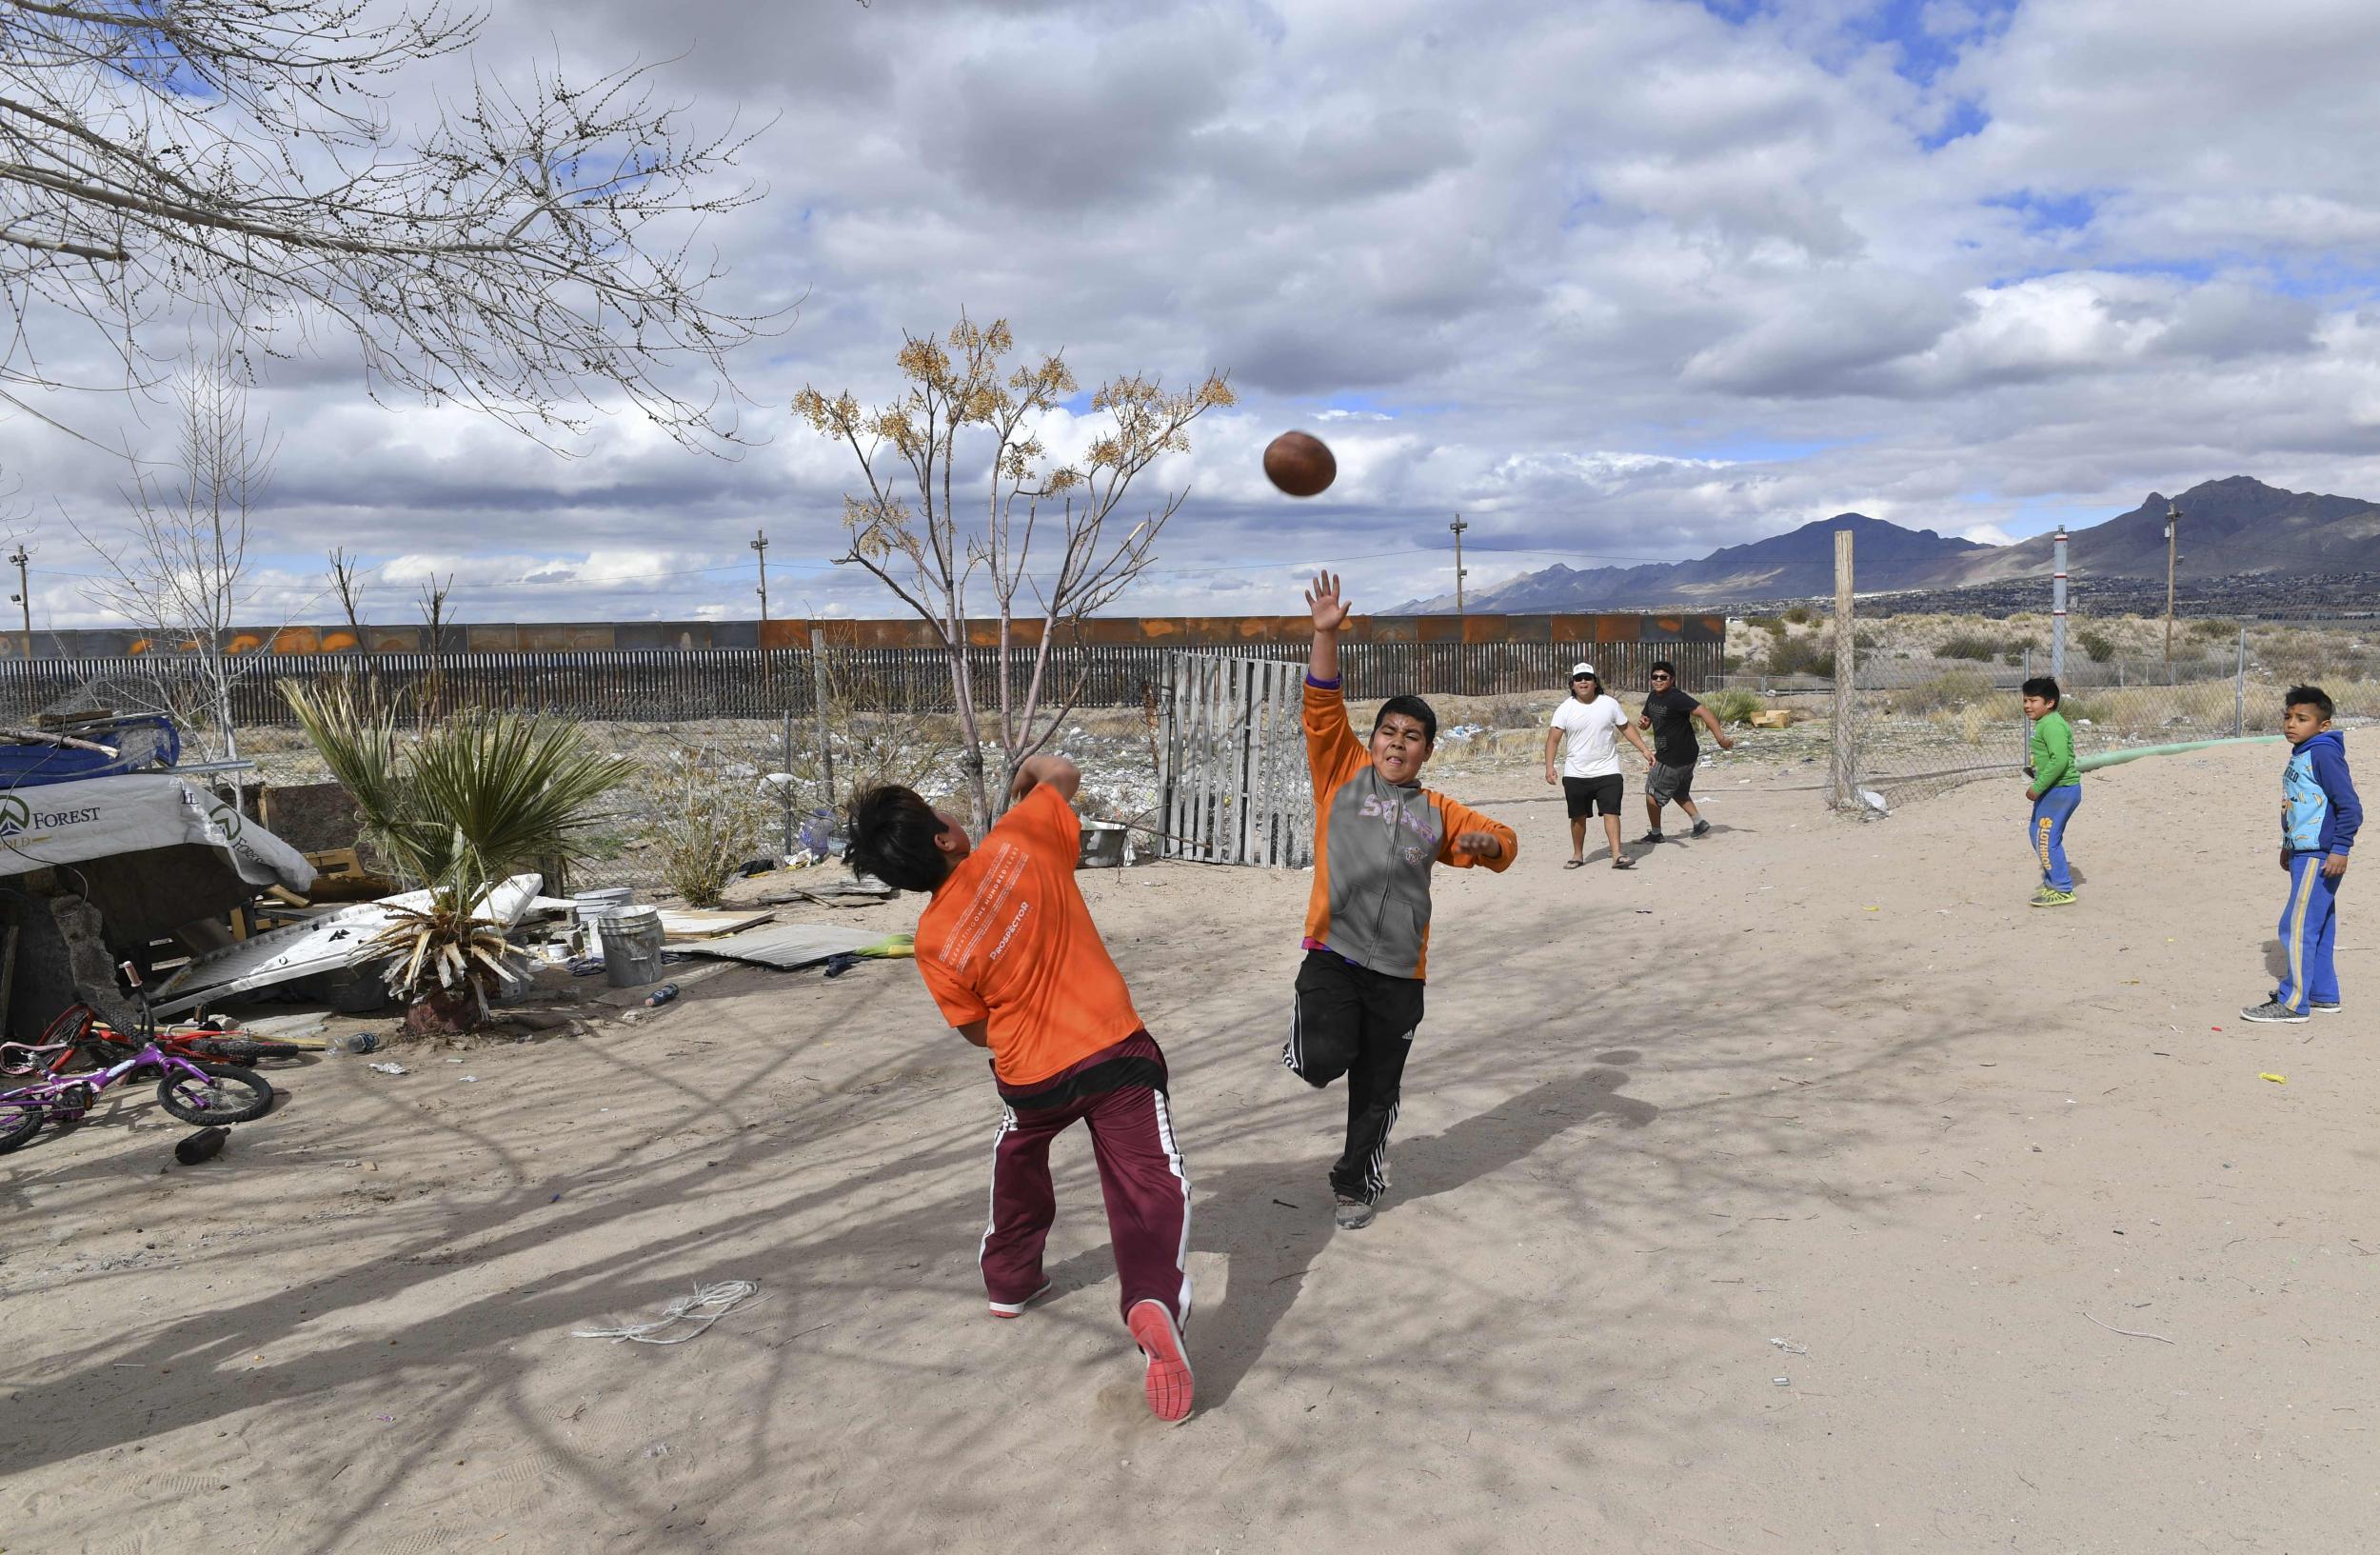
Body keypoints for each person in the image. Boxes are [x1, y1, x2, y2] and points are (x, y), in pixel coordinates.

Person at [843, 758, 1196, 1424]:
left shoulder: (932, 938)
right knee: (1149, 1178)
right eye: (941, 810)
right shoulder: (1021, 834)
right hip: (1115, 1050)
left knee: (1020, 1150)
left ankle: (1010, 1278)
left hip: (1031, 1076)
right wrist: (1027, 775)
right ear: (946, 835)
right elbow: (1063, 770)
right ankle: (1150, 1296)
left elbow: (978, 1031)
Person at [1286, 571, 1518, 1230]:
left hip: (1398, 975)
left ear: (1426, 750)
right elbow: (1322, 700)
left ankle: (1355, 1181)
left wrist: (1487, 845)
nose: (1395, 742)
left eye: (1411, 736)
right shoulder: (1341, 772)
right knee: (1322, 1060)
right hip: (1333, 955)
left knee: (1378, 1091)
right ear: (1375, 736)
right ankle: (1312, 1045)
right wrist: (1324, 633)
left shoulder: (1438, 811)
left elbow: (1505, 842)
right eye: (1388, 730)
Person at [2241, 686, 2359, 1023]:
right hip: (2302, 852)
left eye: (2302, 718)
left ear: (2323, 725)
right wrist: (2287, 845)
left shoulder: (2323, 753)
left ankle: (2293, 1003)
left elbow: (2350, 806)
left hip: (2319, 856)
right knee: (2318, 926)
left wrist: (2340, 848)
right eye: (2288, 716)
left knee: (2296, 926)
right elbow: (2300, 807)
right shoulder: (2304, 751)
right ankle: (2323, 994)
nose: (2292, 724)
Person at [1544, 661, 1656, 870]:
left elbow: (1626, 727)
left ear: (1595, 682)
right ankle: (1577, 855)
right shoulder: (1565, 709)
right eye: (1578, 679)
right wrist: (1549, 767)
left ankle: (1617, 855)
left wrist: (1645, 749)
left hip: (1608, 769)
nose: (1583, 682)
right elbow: (1553, 740)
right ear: (1572, 684)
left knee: (1612, 811)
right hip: (1576, 772)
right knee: (1577, 816)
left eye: (1587, 678)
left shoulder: (1609, 704)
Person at [1636, 661, 1735, 844]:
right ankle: (1699, 822)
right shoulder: (1652, 697)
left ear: (1672, 679)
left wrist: (1721, 739)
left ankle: (1656, 833)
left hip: (1675, 755)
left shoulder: (1677, 697)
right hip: (1682, 753)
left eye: (1663, 677)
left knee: (1652, 794)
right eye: (1655, 677)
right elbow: (1647, 720)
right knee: (1679, 790)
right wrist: (1644, 723)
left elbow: (1704, 712)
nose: (1658, 680)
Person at [2022, 675, 2081, 907]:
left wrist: (2037, 786)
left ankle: (2063, 889)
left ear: (2049, 703)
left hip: (2061, 789)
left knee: (2046, 839)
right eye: (2025, 700)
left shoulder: (2053, 725)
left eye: (2033, 700)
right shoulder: (2045, 723)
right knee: (2036, 832)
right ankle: (2053, 880)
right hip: (2053, 789)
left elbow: (2059, 761)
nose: (2027, 705)